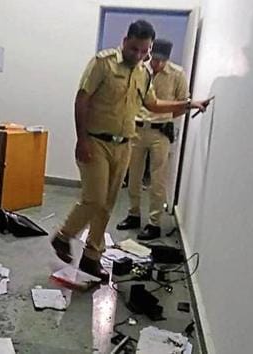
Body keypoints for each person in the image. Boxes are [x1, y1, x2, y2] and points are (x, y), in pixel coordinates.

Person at [51, 21, 211, 281]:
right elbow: (82, 99)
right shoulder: (102, 63)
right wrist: (82, 139)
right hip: (96, 142)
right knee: (94, 198)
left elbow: (153, 104)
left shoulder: (142, 73)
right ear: (125, 41)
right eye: (134, 49)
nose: (138, 55)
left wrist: (189, 103)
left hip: (124, 144)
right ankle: (63, 236)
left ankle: (92, 258)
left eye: (143, 51)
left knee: (108, 204)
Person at [116, 39, 189, 240]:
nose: (157, 64)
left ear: (168, 58)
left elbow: (182, 104)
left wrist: (163, 119)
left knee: (158, 179)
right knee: (133, 175)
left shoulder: (177, 74)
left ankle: (154, 223)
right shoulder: (139, 70)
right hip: (137, 129)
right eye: (155, 59)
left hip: (160, 132)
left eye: (162, 61)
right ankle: (133, 214)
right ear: (150, 54)